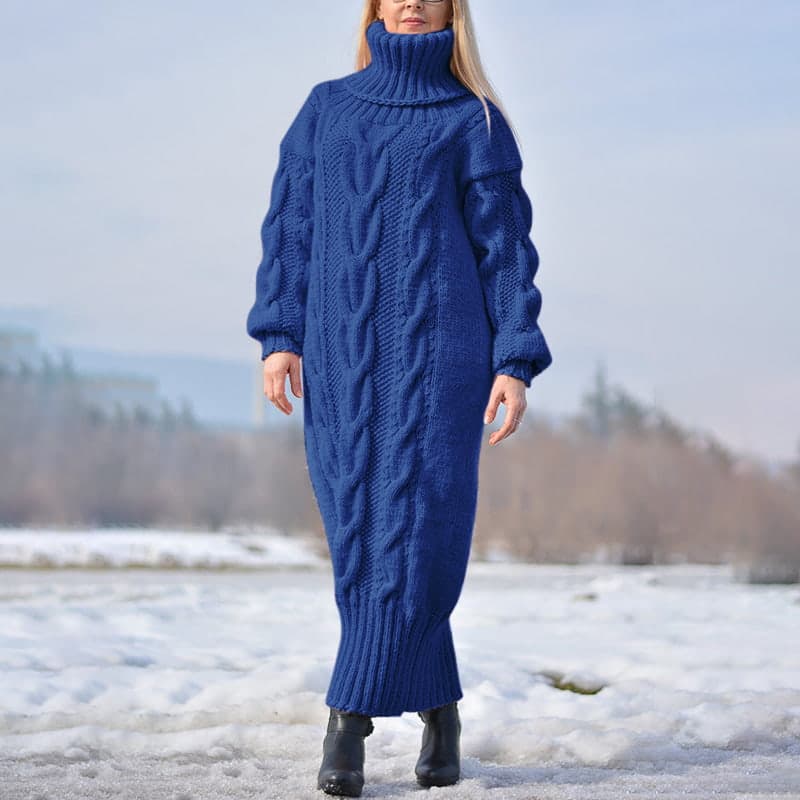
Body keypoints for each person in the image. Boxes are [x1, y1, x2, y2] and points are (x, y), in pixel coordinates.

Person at [246, 0, 552, 795]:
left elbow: (506, 250)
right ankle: (441, 710)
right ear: (376, 7)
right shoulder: (326, 110)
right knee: (361, 534)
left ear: (453, 8)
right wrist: (279, 336)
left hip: (443, 359)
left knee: (420, 532)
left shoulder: (475, 120)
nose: (412, 2)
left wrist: (514, 359)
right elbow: (290, 230)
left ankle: (346, 724)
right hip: (340, 359)